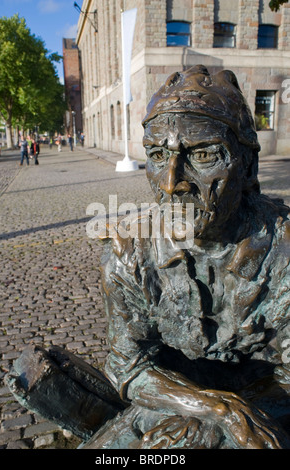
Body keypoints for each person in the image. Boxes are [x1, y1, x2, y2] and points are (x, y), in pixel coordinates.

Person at [87, 65, 290, 449]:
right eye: (158, 154)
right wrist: (215, 412)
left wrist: (224, 424)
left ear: (248, 166)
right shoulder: (129, 251)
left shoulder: (285, 251)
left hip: (271, 403)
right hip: (171, 401)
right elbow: (129, 368)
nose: (170, 182)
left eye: (203, 154)